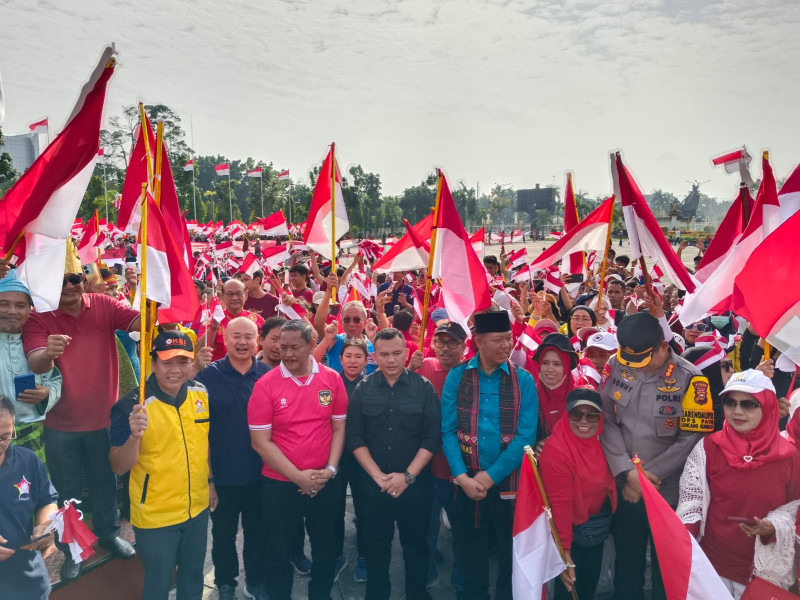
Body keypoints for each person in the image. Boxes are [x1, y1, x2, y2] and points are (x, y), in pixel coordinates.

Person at [23, 256, 140, 580]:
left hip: (103, 420)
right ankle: (71, 549)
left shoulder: (103, 303)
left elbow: (142, 323)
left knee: (105, 484)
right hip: (61, 425)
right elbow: (36, 364)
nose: (70, 286)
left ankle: (108, 533)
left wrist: (151, 287)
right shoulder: (38, 317)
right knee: (67, 491)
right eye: (61, 280)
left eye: (74, 277)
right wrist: (49, 352)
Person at [600, 311, 713, 600]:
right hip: (627, 487)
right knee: (628, 565)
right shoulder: (617, 364)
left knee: (668, 571)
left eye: (645, 358)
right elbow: (607, 420)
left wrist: (644, 477)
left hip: (667, 490)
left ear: (664, 345)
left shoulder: (692, 379)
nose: (637, 365)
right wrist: (626, 471)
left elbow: (691, 439)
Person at [109, 330, 214, 600]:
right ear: (153, 363)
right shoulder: (131, 406)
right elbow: (119, 467)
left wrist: (211, 483)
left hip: (197, 510)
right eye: (167, 362)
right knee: (158, 583)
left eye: (183, 362)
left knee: (192, 577)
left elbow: (204, 444)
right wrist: (134, 436)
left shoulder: (200, 394)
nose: (176, 370)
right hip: (155, 517)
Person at [441, 311, 538, 600]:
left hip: (508, 487)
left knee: (510, 557)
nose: (506, 346)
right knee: (470, 553)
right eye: (498, 340)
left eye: (508, 338)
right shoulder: (458, 377)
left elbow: (525, 437)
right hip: (466, 484)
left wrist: (488, 476)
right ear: (479, 341)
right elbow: (447, 431)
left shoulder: (524, 381)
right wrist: (462, 477)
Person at [248, 319, 348, 600]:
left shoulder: (331, 379)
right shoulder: (265, 385)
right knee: (277, 549)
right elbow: (260, 442)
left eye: (295, 347)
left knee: (325, 546)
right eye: (283, 347)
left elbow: (339, 427)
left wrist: (329, 469)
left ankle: (321, 594)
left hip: (323, 481)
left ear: (312, 345)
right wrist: (298, 477)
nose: (287, 353)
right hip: (279, 484)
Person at [677, 370, 800, 597]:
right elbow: (691, 500)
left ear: (769, 407)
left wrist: (772, 526)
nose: (737, 411)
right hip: (711, 566)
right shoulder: (708, 448)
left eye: (749, 404)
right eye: (730, 402)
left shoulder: (789, 456)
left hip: (763, 571)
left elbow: (795, 506)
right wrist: (684, 542)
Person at [347, 328, 441, 599]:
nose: (391, 360)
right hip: (373, 488)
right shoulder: (363, 388)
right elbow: (355, 437)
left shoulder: (423, 388)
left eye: (397, 353)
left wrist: (407, 477)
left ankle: (416, 593)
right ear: (374, 357)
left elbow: (431, 438)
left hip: (415, 487)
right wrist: (378, 477)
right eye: (384, 355)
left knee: (416, 546)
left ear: (407, 353)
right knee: (376, 548)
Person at [195, 318, 270, 600]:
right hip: (222, 475)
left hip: (260, 473)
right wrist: (209, 479)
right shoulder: (206, 377)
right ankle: (226, 582)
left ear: (257, 340)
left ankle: (256, 581)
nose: (242, 342)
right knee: (223, 535)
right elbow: (198, 432)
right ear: (225, 339)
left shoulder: (267, 375)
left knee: (257, 533)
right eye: (236, 336)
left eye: (248, 337)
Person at [540, 388, 617, 600]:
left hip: (598, 528)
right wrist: (565, 554)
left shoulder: (606, 442)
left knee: (587, 588)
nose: (584, 420)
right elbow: (561, 504)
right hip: (569, 533)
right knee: (569, 591)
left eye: (592, 415)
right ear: (566, 415)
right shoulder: (556, 451)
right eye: (576, 414)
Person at [410, 321, 467, 592]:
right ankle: (429, 569)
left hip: (455, 466)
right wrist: (410, 368)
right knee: (426, 522)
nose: (445, 348)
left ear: (463, 346)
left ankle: (460, 576)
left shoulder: (471, 373)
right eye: (439, 342)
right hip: (423, 464)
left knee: (460, 526)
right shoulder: (424, 365)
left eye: (451, 343)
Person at [0, 394, 59, 600]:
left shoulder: (27, 461)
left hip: (28, 580)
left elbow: (47, 500)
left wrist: (45, 527)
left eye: (5, 437)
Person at [0, 271, 61, 463]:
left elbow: (54, 380)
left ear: (29, 311)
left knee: (31, 490)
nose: (12, 311)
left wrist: (47, 394)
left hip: (31, 433)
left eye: (20, 305)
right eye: (3, 304)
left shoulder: (35, 344)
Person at [337, 337, 371, 583]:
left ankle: (364, 556)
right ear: (341, 358)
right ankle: (335, 555)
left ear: (366, 360)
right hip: (335, 458)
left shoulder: (371, 385)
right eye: (348, 356)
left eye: (358, 356)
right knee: (333, 510)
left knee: (366, 510)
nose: (353, 361)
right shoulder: (329, 381)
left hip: (363, 459)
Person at [529, 333, 579, 440]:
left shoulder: (579, 398)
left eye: (557, 364)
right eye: (545, 363)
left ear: (566, 366)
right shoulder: (528, 395)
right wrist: (535, 446)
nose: (550, 369)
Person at [210, 278, 265, 361]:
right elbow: (200, 349)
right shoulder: (213, 320)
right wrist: (213, 328)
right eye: (230, 294)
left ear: (246, 295)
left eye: (239, 293)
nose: (235, 298)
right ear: (222, 296)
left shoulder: (259, 321)